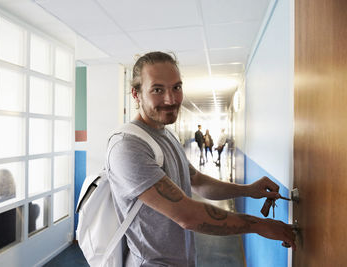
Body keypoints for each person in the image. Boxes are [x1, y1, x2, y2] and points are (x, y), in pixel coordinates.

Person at [106, 51, 295, 266]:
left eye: (176, 87)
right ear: (136, 94)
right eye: (157, 90)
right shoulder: (128, 145)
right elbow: (187, 216)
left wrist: (247, 190)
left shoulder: (166, 135)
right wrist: (259, 225)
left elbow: (198, 181)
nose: (171, 99)